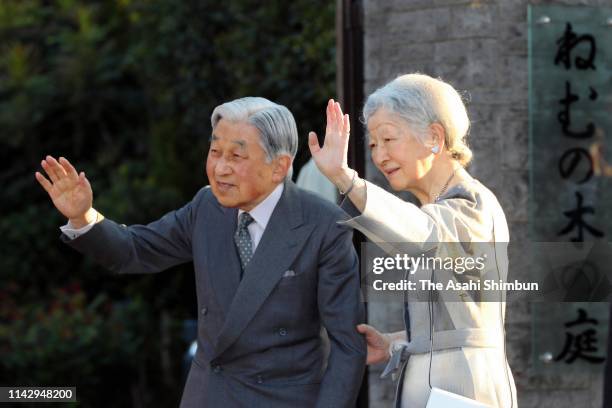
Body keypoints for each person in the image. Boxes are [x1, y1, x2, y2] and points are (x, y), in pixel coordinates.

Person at [35, 97, 366, 408]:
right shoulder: (206, 207)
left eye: (236, 157)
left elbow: (348, 346)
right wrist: (83, 216)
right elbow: (134, 250)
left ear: (279, 166)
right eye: (214, 151)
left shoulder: (323, 225)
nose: (220, 168)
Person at [308, 74, 517, 407]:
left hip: (464, 389)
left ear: (434, 136)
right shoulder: (440, 211)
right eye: (374, 144)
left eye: (389, 138)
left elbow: (422, 234)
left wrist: (346, 179)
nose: (380, 156)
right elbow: (458, 318)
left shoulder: (472, 204)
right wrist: (393, 343)